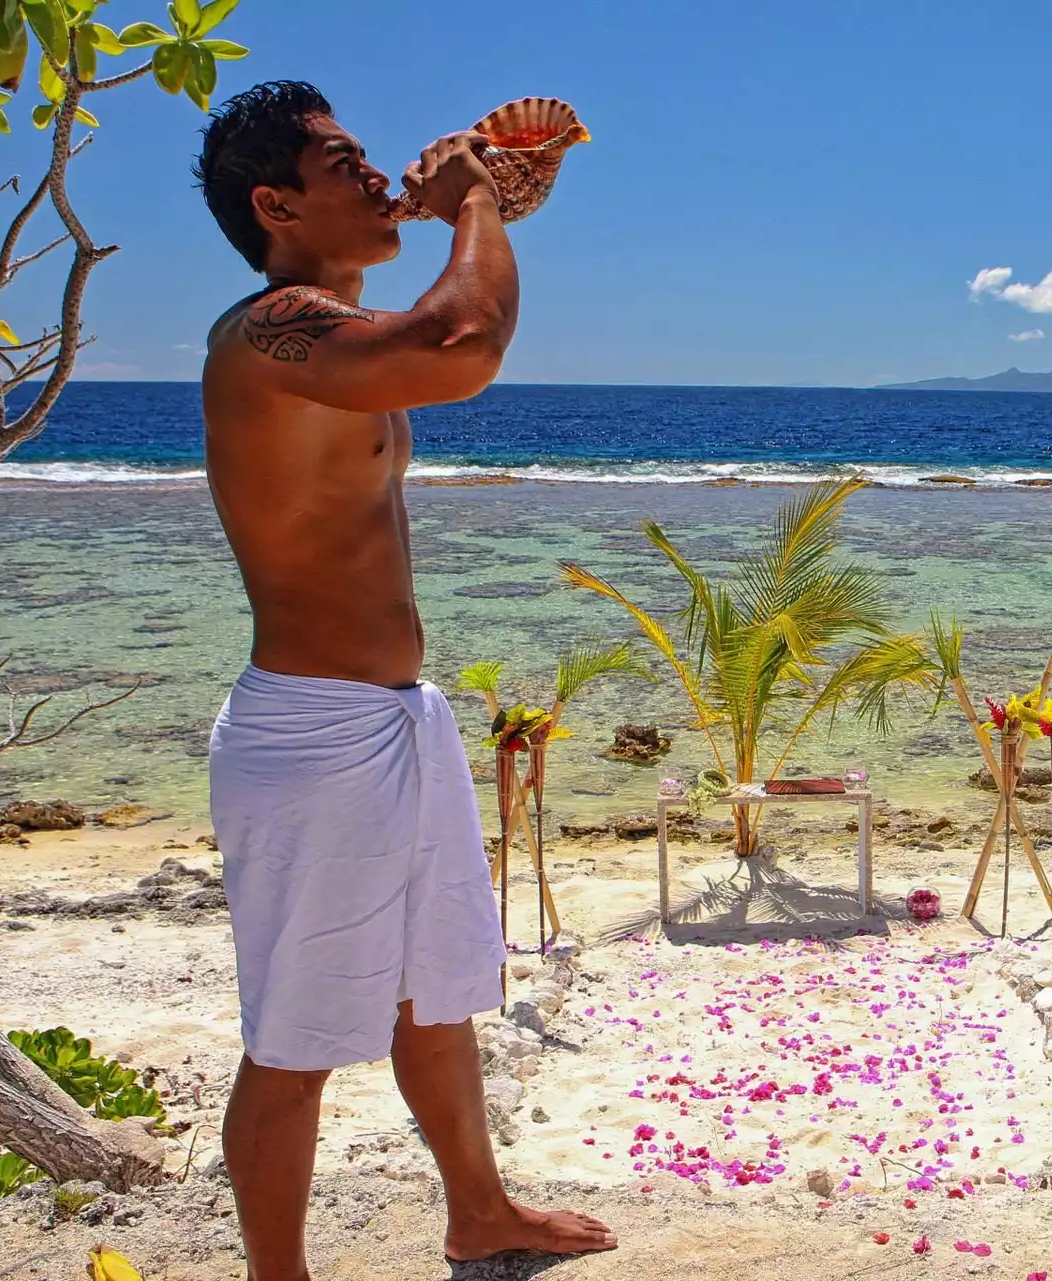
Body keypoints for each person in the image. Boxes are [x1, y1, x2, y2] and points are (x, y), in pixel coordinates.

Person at [192, 81, 616, 1279]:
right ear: (276, 204)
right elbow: (460, 345)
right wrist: (474, 202)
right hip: (314, 736)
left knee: (434, 992)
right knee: (294, 1041)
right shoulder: (268, 331)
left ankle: (479, 1211)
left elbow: (444, 325)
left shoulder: (332, 335)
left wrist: (485, 207)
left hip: (388, 721)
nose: (379, 176)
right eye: (344, 164)